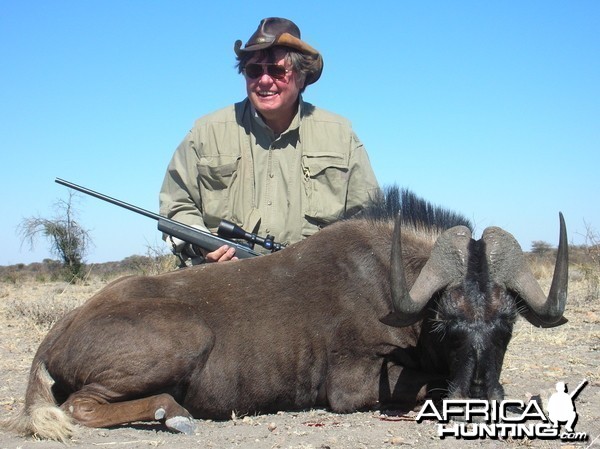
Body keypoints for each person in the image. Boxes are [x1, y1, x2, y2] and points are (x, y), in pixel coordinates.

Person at [160, 17, 379, 264]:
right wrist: (201, 246)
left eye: (276, 70)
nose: (264, 81)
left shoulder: (342, 136)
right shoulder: (204, 133)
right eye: (254, 71)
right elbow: (176, 205)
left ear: (301, 77)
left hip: (311, 286)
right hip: (218, 280)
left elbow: (369, 220)